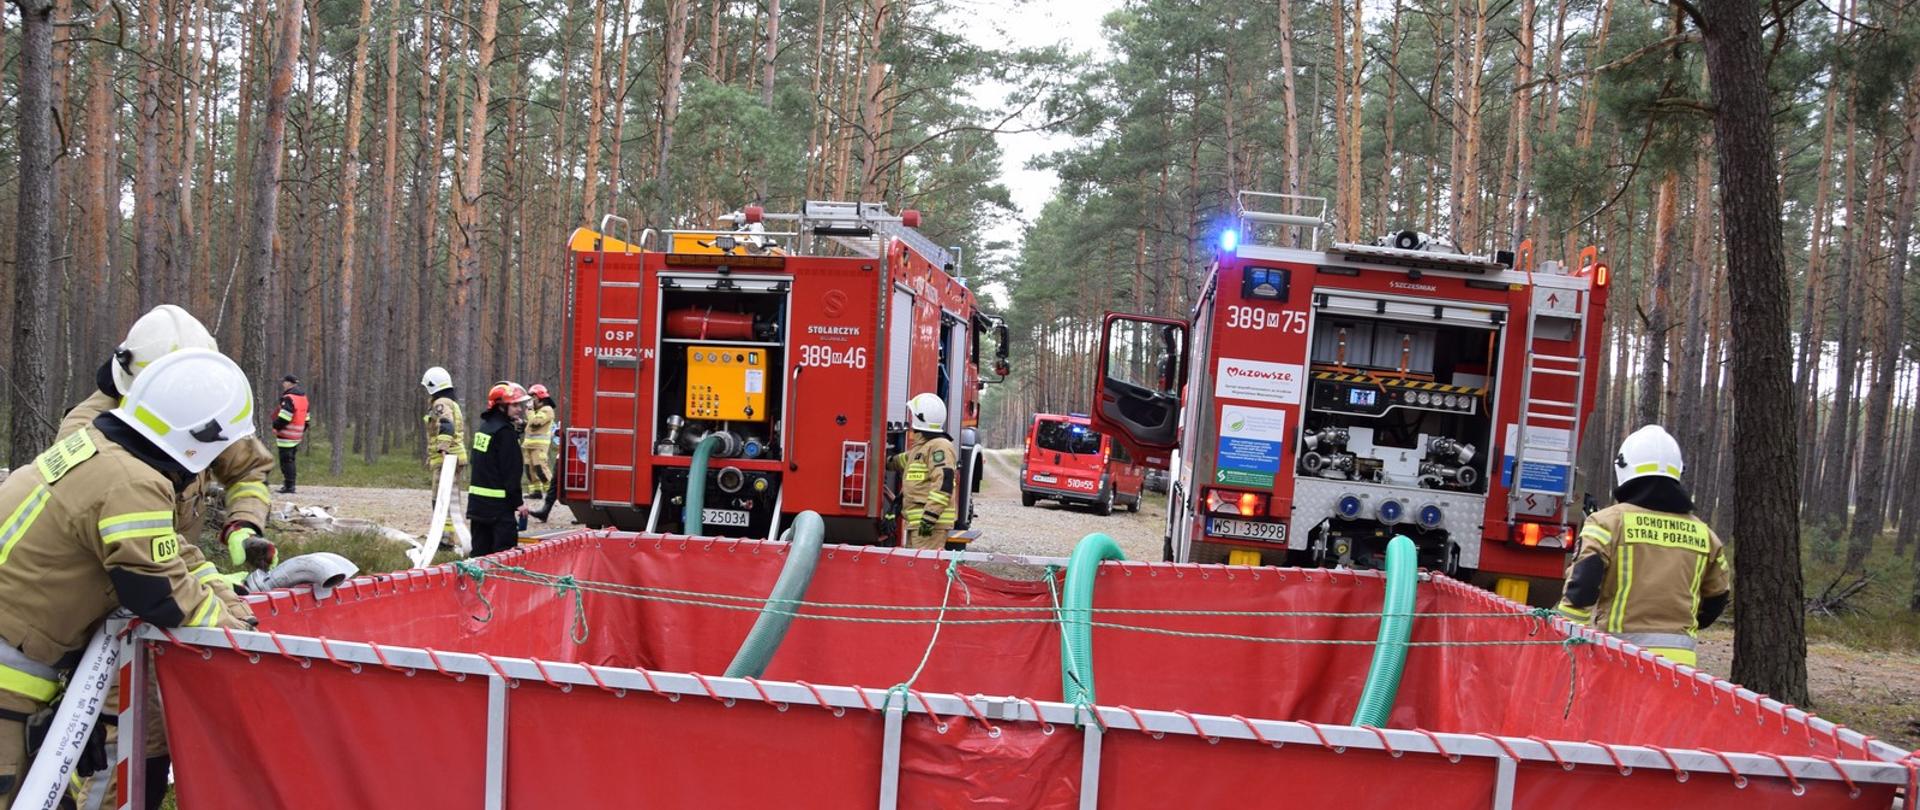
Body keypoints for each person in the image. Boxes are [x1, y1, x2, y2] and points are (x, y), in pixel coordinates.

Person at [0, 349, 258, 806]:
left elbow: (168, 549)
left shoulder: (104, 448)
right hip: (12, 667)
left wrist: (224, 594)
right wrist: (232, 628)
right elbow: (156, 590)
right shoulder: (133, 482)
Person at [56, 305, 272, 808]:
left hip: (170, 589)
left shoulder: (196, 404)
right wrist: (212, 596)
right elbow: (139, 547)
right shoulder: (89, 432)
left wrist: (244, 523)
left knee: (166, 735)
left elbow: (248, 468)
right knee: (127, 739)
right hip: (109, 608)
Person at [1556, 425, 1731, 667]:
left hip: (1618, 658)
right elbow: (1717, 598)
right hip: (1680, 666)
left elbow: (1582, 588)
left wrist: (1562, 639)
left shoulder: (1607, 523)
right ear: (1678, 472)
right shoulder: (1706, 535)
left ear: (1623, 467)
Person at [888, 393, 958, 551]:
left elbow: (943, 483)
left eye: (913, 415)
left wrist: (930, 516)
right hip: (918, 524)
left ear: (920, 418)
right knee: (914, 569)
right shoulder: (921, 448)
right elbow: (900, 461)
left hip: (930, 525)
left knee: (922, 570)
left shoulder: (940, 446)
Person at [468, 382, 531, 557]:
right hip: (499, 511)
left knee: (479, 558)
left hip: (478, 508)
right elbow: (511, 472)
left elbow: (478, 462)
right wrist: (518, 502)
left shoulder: (485, 428)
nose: (520, 409)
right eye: (515, 404)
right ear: (501, 406)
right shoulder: (505, 433)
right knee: (504, 560)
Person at [421, 366, 470, 548]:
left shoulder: (440, 403)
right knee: (446, 498)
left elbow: (447, 425)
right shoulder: (451, 403)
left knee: (441, 499)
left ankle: (446, 539)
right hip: (452, 457)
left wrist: (442, 448)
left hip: (448, 459)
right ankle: (445, 536)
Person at [523, 383, 558, 522]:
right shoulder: (536, 411)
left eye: (533, 397)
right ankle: (535, 492)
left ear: (539, 397)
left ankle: (550, 494)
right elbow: (530, 424)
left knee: (541, 469)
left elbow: (536, 422)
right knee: (529, 469)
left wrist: (530, 411)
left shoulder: (547, 409)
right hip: (529, 445)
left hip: (540, 446)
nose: (530, 401)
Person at [273, 374, 310, 493]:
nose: (283, 384)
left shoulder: (289, 398)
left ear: (289, 383)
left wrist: (276, 426)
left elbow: (285, 417)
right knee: (291, 459)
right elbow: (307, 419)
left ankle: (289, 486)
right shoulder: (303, 398)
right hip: (297, 434)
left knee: (286, 461)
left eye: (284, 382)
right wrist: (300, 431)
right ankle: (290, 484)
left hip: (286, 435)